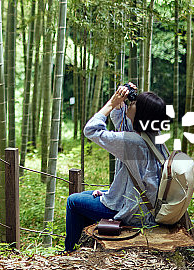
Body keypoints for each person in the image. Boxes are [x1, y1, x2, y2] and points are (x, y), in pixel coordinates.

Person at [64, 83, 170, 252]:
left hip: (133, 213)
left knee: (73, 202)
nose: (130, 104)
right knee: (86, 195)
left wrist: (111, 104)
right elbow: (123, 124)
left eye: (134, 103)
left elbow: (91, 130)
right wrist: (120, 101)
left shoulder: (133, 142)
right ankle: (85, 244)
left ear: (140, 114)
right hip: (145, 206)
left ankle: (70, 250)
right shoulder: (153, 136)